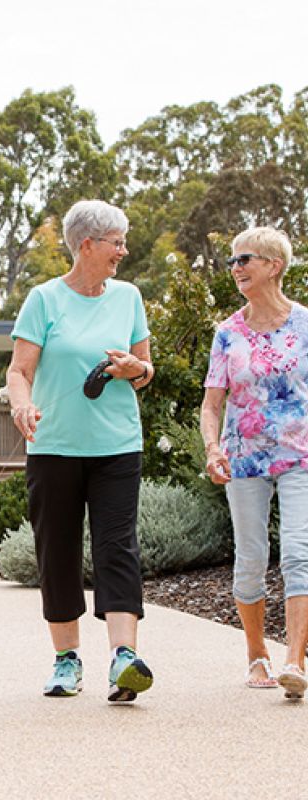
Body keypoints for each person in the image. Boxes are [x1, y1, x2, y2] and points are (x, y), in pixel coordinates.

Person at [6, 199, 154, 702]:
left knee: (118, 547)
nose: (123, 251)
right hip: (54, 448)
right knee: (58, 551)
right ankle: (67, 661)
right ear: (86, 244)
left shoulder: (128, 297)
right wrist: (22, 407)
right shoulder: (43, 299)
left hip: (116, 445)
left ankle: (124, 660)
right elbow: (19, 371)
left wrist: (132, 368)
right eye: (116, 242)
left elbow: (145, 371)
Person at [200, 226, 308, 700]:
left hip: (300, 455)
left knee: (299, 554)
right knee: (250, 559)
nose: (237, 268)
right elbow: (211, 404)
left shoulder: (305, 324)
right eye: (233, 261)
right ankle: (256, 652)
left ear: (274, 266)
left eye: (246, 259)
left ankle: (295, 660)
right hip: (243, 460)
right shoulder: (228, 333)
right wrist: (212, 447)